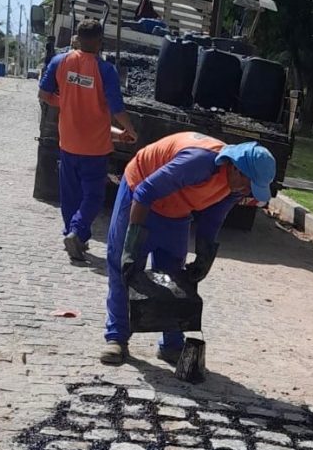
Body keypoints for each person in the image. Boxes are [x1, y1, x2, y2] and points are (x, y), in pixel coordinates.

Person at [100, 131, 277, 366]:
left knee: (174, 276)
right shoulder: (198, 163)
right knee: (124, 268)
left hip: (177, 207)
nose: (247, 191)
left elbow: (213, 217)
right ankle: (117, 338)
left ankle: (172, 344)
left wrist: (205, 254)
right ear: (236, 168)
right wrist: (132, 245)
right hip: (139, 195)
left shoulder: (236, 187)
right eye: (248, 184)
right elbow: (145, 192)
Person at [38, 19, 137, 261]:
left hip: (68, 144)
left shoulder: (59, 62)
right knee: (93, 196)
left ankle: (72, 235)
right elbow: (116, 108)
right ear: (100, 41)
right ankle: (77, 231)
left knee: (70, 195)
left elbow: (44, 94)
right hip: (94, 149)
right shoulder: (105, 70)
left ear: (77, 38)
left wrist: (67, 101)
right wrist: (130, 130)